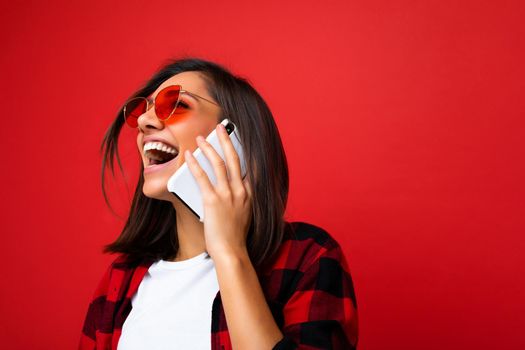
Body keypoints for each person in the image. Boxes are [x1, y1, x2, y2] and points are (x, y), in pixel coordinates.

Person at [78, 57, 358, 350]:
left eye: (177, 105)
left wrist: (229, 251)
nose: (145, 123)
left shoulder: (307, 258)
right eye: (144, 111)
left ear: (234, 138)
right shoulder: (120, 280)